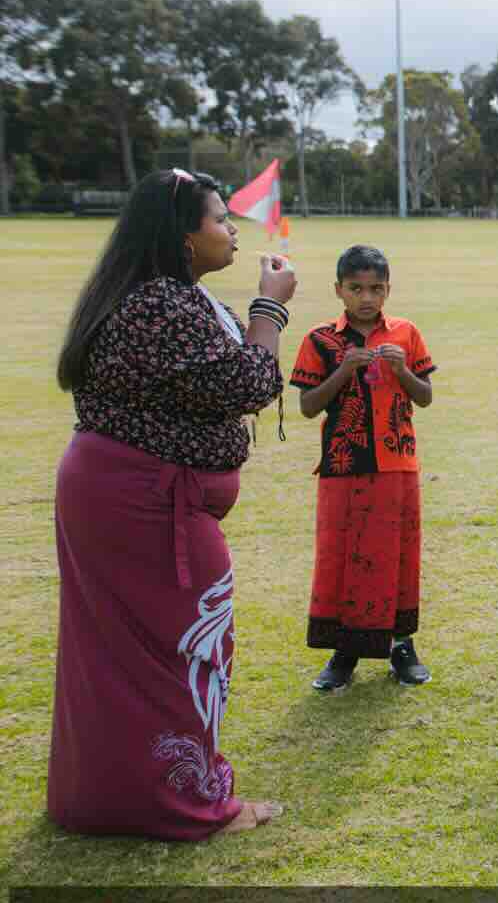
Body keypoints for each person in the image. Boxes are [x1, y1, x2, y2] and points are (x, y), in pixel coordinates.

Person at [49, 168, 295, 839]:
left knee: (119, 658)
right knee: (188, 647)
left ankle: (108, 798)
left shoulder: (153, 294)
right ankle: (186, 804)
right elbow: (248, 383)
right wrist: (270, 309)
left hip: (126, 495)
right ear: (184, 236)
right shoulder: (160, 302)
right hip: (146, 505)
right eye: (220, 219)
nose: (232, 230)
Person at [290, 245, 437, 690]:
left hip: (397, 465)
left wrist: (402, 370)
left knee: (397, 554)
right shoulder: (320, 340)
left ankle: (402, 646)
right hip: (344, 465)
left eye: (376, 288)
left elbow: (425, 397)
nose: (366, 298)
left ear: (388, 289)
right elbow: (308, 406)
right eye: (356, 288)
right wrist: (344, 370)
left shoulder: (406, 333)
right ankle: (344, 651)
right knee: (343, 555)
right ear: (339, 290)